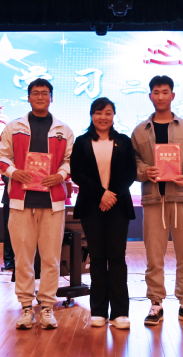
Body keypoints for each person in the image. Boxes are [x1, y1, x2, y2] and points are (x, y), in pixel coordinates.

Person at [0, 78, 74, 330]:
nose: (40, 97)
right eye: (35, 93)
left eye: (45, 93)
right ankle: (26, 307)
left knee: (51, 259)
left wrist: (60, 175)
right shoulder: (14, 127)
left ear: (51, 97)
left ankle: (47, 306)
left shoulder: (63, 130)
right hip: (20, 202)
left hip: (53, 204)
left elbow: (71, 160)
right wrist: (14, 172)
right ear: (28, 97)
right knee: (23, 259)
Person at [131, 75, 183, 326]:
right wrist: (145, 171)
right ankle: (156, 303)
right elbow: (132, 162)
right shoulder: (140, 131)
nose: (161, 96)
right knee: (154, 256)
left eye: (165, 92)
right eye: (156, 92)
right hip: (153, 200)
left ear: (173, 95)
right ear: (150, 96)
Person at [70, 97, 137, 330]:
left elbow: (130, 173)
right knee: (97, 257)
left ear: (113, 116)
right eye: (98, 113)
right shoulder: (81, 142)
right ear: (91, 115)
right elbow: (77, 173)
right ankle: (98, 311)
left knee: (117, 257)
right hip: (92, 206)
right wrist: (101, 194)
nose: (103, 117)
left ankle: (120, 313)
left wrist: (111, 195)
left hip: (118, 206)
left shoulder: (124, 141)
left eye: (108, 113)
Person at [1, 174, 15, 271]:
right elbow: (5, 176)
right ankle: (9, 261)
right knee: (8, 231)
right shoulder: (9, 163)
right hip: (9, 200)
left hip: (29, 201)